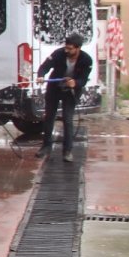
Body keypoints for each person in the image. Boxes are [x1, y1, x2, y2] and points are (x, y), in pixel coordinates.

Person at [34, 32, 92, 163]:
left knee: (68, 119)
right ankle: (46, 146)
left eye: (70, 48)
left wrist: (75, 83)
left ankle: (67, 151)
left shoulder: (87, 60)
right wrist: (41, 75)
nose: (67, 50)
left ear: (78, 48)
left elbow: (83, 79)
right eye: (66, 47)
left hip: (71, 91)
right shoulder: (58, 54)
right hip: (54, 87)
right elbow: (44, 67)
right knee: (49, 116)